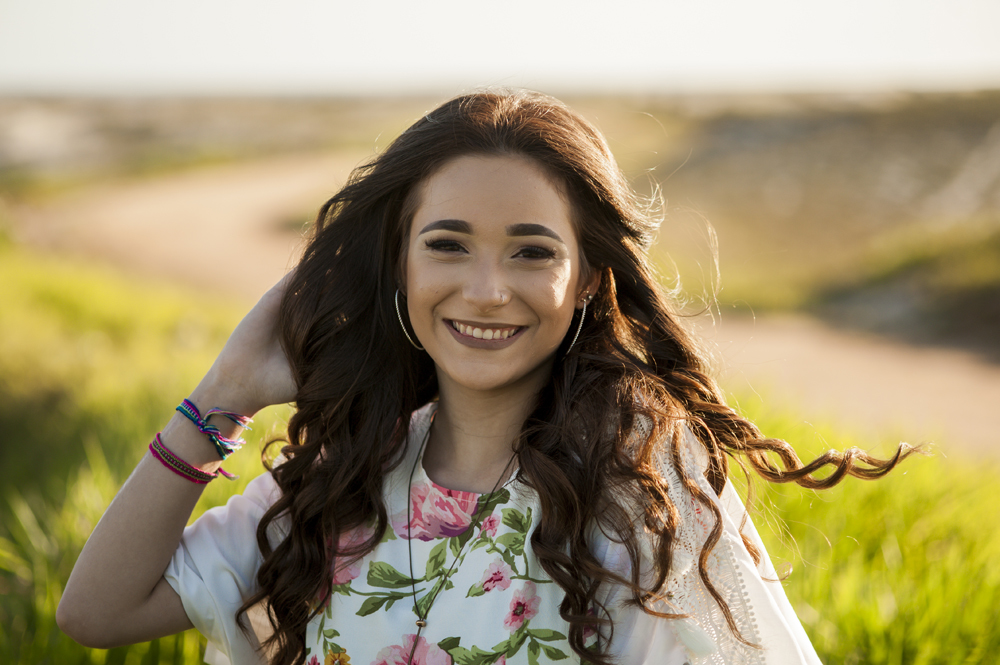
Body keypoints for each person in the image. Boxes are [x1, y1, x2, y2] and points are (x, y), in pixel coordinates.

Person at [58, 90, 915, 665]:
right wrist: (224, 391)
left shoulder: (643, 498)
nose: (486, 289)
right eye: (448, 244)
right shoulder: (340, 480)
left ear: (587, 279)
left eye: (531, 252)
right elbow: (96, 612)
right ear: (399, 263)